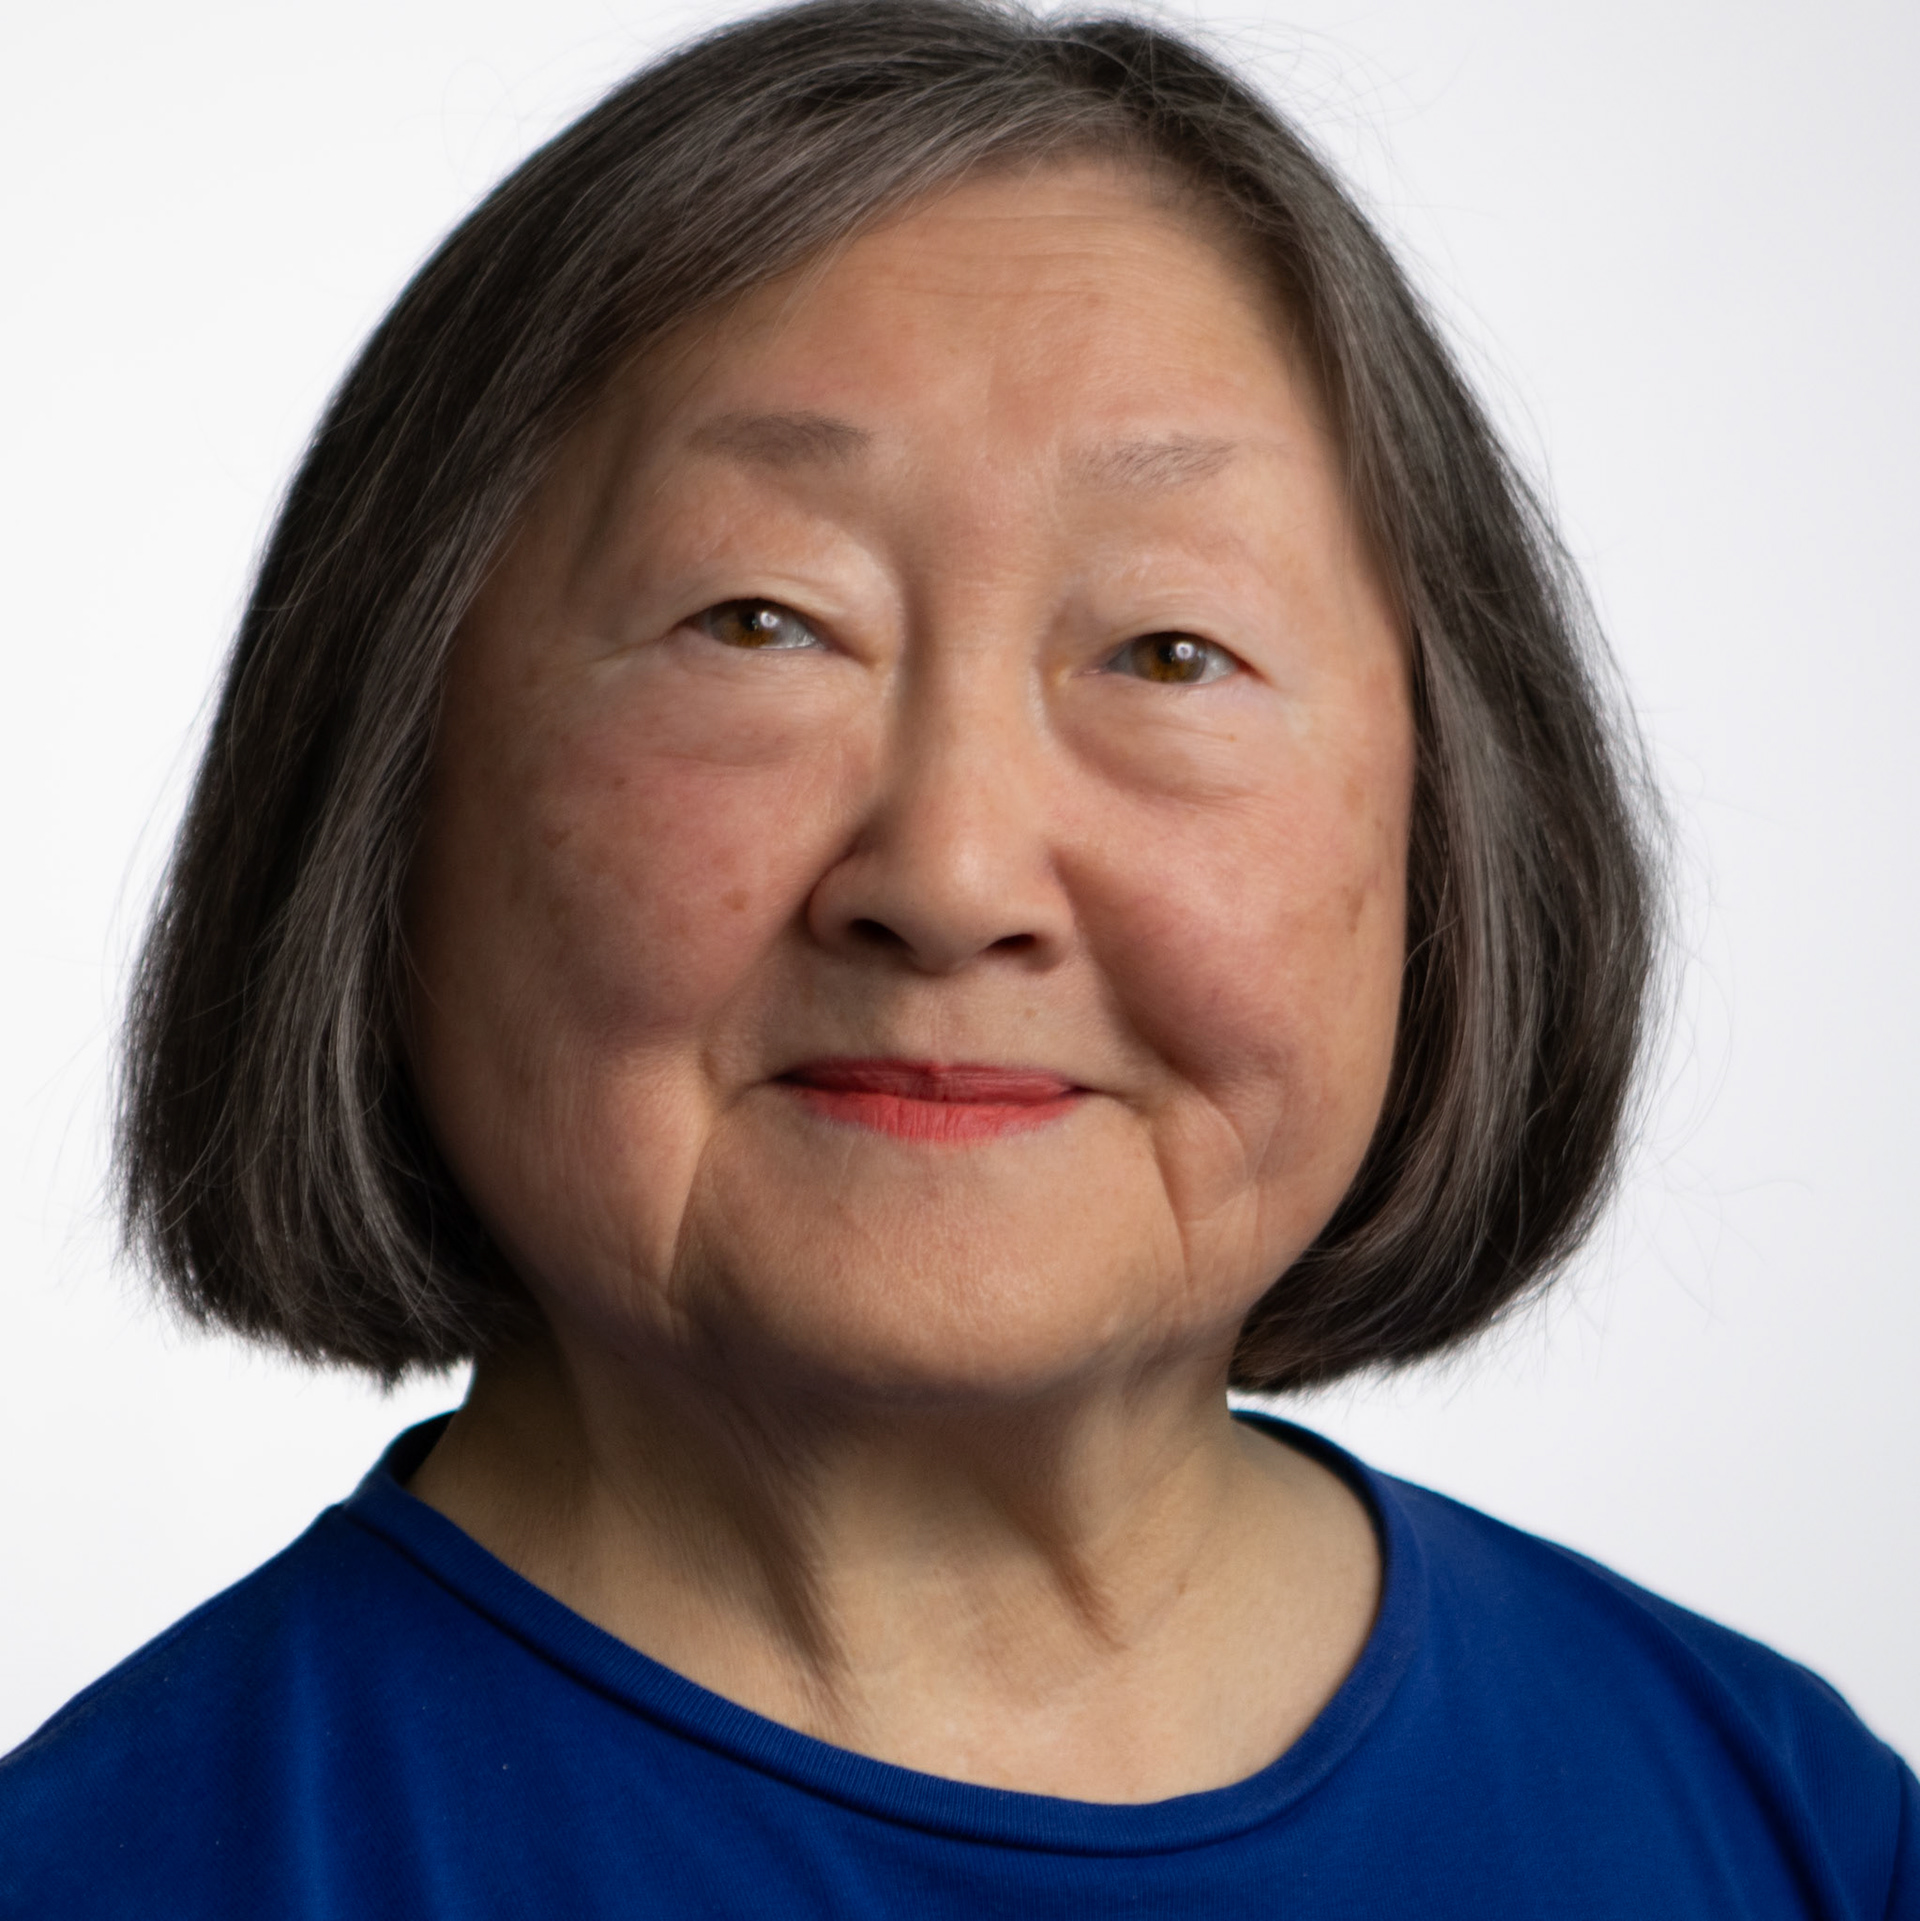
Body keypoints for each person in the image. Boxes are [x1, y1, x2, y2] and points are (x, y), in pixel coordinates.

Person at [1, 0, 1912, 1913]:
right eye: (760, 621)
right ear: (390, 779)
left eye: (1170, 651)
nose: (953, 869)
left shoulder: (1788, 1827)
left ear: (1449, 828)